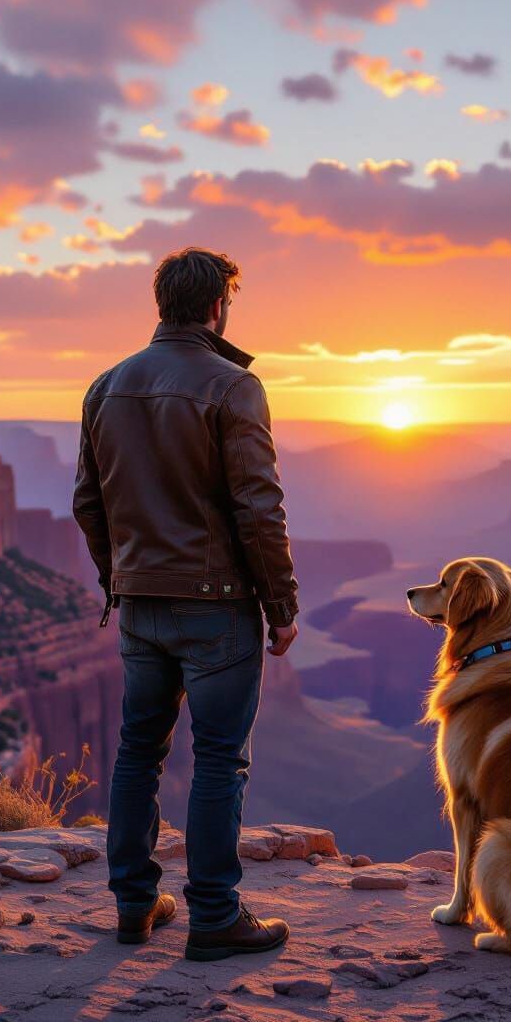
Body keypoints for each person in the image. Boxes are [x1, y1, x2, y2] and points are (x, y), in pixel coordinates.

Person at [73, 246, 299, 961]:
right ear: (217, 307)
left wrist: (122, 577)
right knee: (219, 759)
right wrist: (282, 603)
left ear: (160, 304)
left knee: (138, 753)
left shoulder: (107, 386)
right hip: (217, 608)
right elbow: (258, 507)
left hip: (139, 604)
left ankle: (135, 908)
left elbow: (87, 503)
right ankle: (213, 916)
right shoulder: (234, 386)